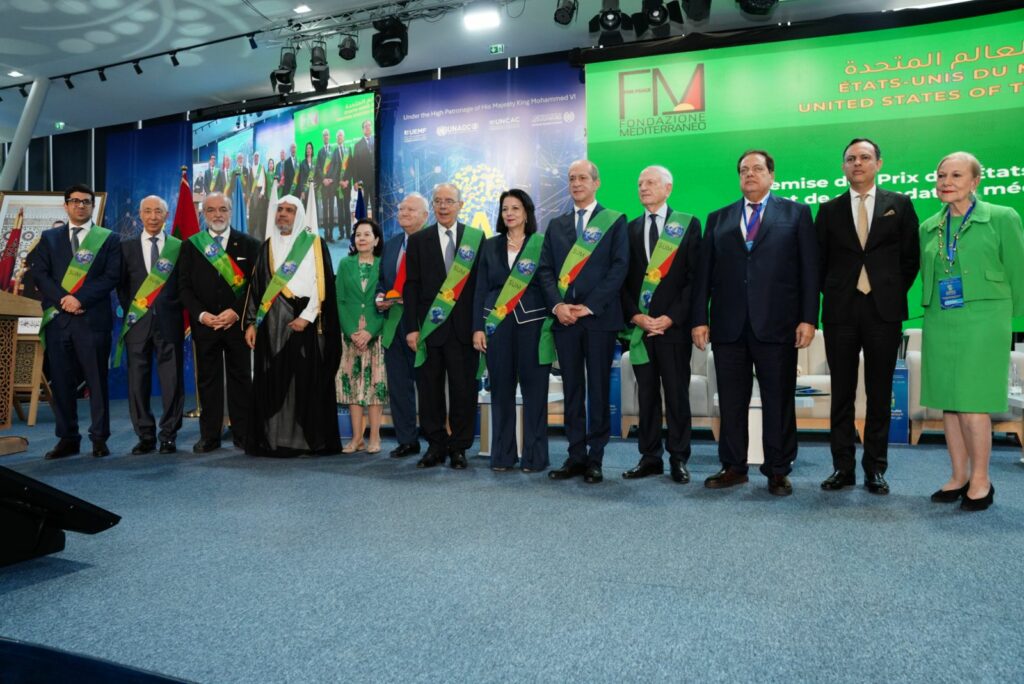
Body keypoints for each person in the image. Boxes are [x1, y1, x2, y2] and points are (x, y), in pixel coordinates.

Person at [692, 150, 819, 497]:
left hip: (777, 325)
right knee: (732, 400)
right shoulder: (718, 218)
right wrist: (699, 319)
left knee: (779, 400)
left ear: (771, 175)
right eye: (744, 170)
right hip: (729, 325)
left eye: (757, 168)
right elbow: (704, 275)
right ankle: (733, 466)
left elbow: (809, 271)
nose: (750, 174)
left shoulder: (796, 214)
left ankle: (778, 469)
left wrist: (809, 318)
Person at [920, 152, 1024, 511]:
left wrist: (1012, 322)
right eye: (941, 176)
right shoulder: (929, 226)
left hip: (985, 319)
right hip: (940, 317)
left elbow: (1018, 271)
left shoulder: (1002, 217)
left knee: (973, 401)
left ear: (975, 181)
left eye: (956, 175)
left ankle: (981, 480)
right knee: (949, 401)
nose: (946, 182)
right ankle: (958, 476)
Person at [816, 138, 920, 495]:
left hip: (883, 311)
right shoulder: (828, 210)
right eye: (850, 159)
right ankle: (842, 468)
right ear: (843, 167)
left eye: (864, 157)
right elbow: (819, 262)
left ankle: (875, 468)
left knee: (879, 393)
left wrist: (889, 290)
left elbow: (910, 259)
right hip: (840, 312)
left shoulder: (899, 204)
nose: (857, 163)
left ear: (878, 163)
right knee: (842, 393)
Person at [536, 160, 628, 484]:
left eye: (583, 178)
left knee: (598, 389)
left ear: (596, 182)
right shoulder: (556, 225)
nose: (576, 183)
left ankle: (595, 458)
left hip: (599, 319)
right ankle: (575, 455)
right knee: (572, 389)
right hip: (565, 320)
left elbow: (619, 268)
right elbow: (545, 270)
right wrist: (558, 305)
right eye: (572, 178)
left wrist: (589, 306)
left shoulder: (614, 221)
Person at [621, 166, 701, 484]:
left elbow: (694, 279)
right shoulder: (629, 229)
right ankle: (650, 457)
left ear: (668, 188)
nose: (643, 187)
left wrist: (672, 317)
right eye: (640, 183)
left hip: (674, 329)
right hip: (641, 330)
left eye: (651, 182)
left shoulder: (687, 224)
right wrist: (635, 316)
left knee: (677, 395)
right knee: (647, 396)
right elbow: (622, 281)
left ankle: (679, 457)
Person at [28, 184, 121, 459]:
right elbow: (40, 274)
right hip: (59, 322)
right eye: (75, 201)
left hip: (92, 320)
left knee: (97, 382)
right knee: (61, 383)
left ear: (92, 206)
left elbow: (111, 276)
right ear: (66, 205)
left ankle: (99, 438)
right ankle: (68, 438)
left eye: (86, 202)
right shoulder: (49, 238)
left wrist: (79, 299)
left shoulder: (108, 239)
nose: (80, 205)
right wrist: (63, 300)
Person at [243, 195, 341, 457]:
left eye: (289, 210)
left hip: (306, 321)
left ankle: (309, 441)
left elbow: (322, 284)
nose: (283, 214)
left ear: (299, 215)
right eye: (280, 210)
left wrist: (307, 317)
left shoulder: (315, 244)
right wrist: (251, 323)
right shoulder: (267, 247)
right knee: (273, 379)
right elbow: (256, 288)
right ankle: (274, 441)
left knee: (306, 380)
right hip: (272, 324)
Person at [403, 183, 483, 469]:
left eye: (449, 201)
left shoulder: (476, 239)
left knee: (464, 391)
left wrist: (479, 326)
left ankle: (459, 447)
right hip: (429, 329)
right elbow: (411, 287)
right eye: (438, 201)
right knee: (429, 391)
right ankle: (435, 445)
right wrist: (412, 328)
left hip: (464, 331)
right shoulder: (418, 240)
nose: (443, 206)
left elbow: (480, 287)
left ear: (461, 205)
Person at [472, 189, 551, 472]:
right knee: (501, 391)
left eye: (515, 208)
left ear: (527, 212)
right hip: (497, 326)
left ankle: (535, 457)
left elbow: (550, 284)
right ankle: (503, 456)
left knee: (535, 393)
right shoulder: (489, 246)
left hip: (534, 325)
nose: (509, 213)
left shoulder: (541, 244)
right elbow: (480, 289)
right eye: (505, 208)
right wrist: (477, 328)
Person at [178, 192, 260, 453]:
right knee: (208, 381)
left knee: (241, 380)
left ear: (230, 212)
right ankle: (209, 436)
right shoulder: (191, 246)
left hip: (237, 325)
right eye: (211, 210)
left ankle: (244, 434)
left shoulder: (249, 244)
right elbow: (183, 287)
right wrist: (202, 315)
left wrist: (236, 312)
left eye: (223, 209)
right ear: (204, 214)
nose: (217, 214)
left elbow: (256, 286)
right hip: (206, 325)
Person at [116, 195, 185, 455]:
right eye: (148, 211)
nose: (153, 216)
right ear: (140, 215)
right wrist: (137, 310)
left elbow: (184, 284)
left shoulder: (179, 247)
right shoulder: (126, 248)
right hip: (137, 323)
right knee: (137, 382)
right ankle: (145, 435)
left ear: (167, 215)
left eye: (158, 211)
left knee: (172, 382)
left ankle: (168, 435)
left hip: (169, 322)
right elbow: (122, 287)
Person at [376, 193, 428, 459]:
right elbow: (382, 282)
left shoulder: (432, 243)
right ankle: (407, 440)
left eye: (411, 209)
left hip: (423, 326)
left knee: (429, 387)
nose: (404, 213)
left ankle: (437, 440)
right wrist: (379, 297)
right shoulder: (392, 244)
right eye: (401, 209)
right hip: (393, 325)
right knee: (398, 387)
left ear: (425, 216)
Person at [336, 218, 387, 454]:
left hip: (376, 335)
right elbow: (340, 301)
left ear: (376, 240)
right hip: (351, 336)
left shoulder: (384, 265)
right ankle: (356, 438)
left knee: (375, 386)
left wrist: (370, 331)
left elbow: (389, 301)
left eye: (367, 234)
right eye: (358, 235)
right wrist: (351, 332)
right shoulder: (345, 264)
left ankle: (375, 437)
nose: (362, 239)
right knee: (352, 386)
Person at [314, 129, 340, 242]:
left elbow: (336, 165)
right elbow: (318, 167)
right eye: (324, 135)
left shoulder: (334, 150)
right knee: (325, 210)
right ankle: (325, 234)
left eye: (327, 135)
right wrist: (324, 179)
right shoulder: (320, 152)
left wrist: (331, 179)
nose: (326, 137)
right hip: (324, 185)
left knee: (331, 209)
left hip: (332, 185)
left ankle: (331, 235)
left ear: (329, 137)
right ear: (322, 137)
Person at [348, 120, 375, 214]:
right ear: (363, 129)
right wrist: (355, 181)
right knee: (363, 206)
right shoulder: (357, 145)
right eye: (365, 126)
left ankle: (375, 223)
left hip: (375, 180)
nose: (368, 127)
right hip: (362, 182)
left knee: (375, 205)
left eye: (369, 125)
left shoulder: (376, 141)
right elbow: (355, 165)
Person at [334, 129, 352, 241]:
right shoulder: (334, 152)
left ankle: (349, 232)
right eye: (338, 136)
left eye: (341, 135)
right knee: (340, 210)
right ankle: (341, 232)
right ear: (336, 139)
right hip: (338, 186)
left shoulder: (348, 150)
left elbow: (351, 167)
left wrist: (347, 181)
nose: (339, 137)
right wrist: (340, 182)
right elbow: (333, 170)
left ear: (343, 138)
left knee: (347, 208)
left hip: (347, 185)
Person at [248, 152, 267, 242]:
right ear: (253, 158)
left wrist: (262, 192)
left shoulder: (262, 167)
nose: (256, 158)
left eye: (257, 156)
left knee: (261, 215)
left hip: (261, 193)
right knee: (253, 214)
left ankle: (262, 235)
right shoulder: (251, 169)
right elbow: (250, 183)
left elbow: (264, 181)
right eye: (255, 156)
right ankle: (252, 235)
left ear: (259, 158)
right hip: (254, 193)